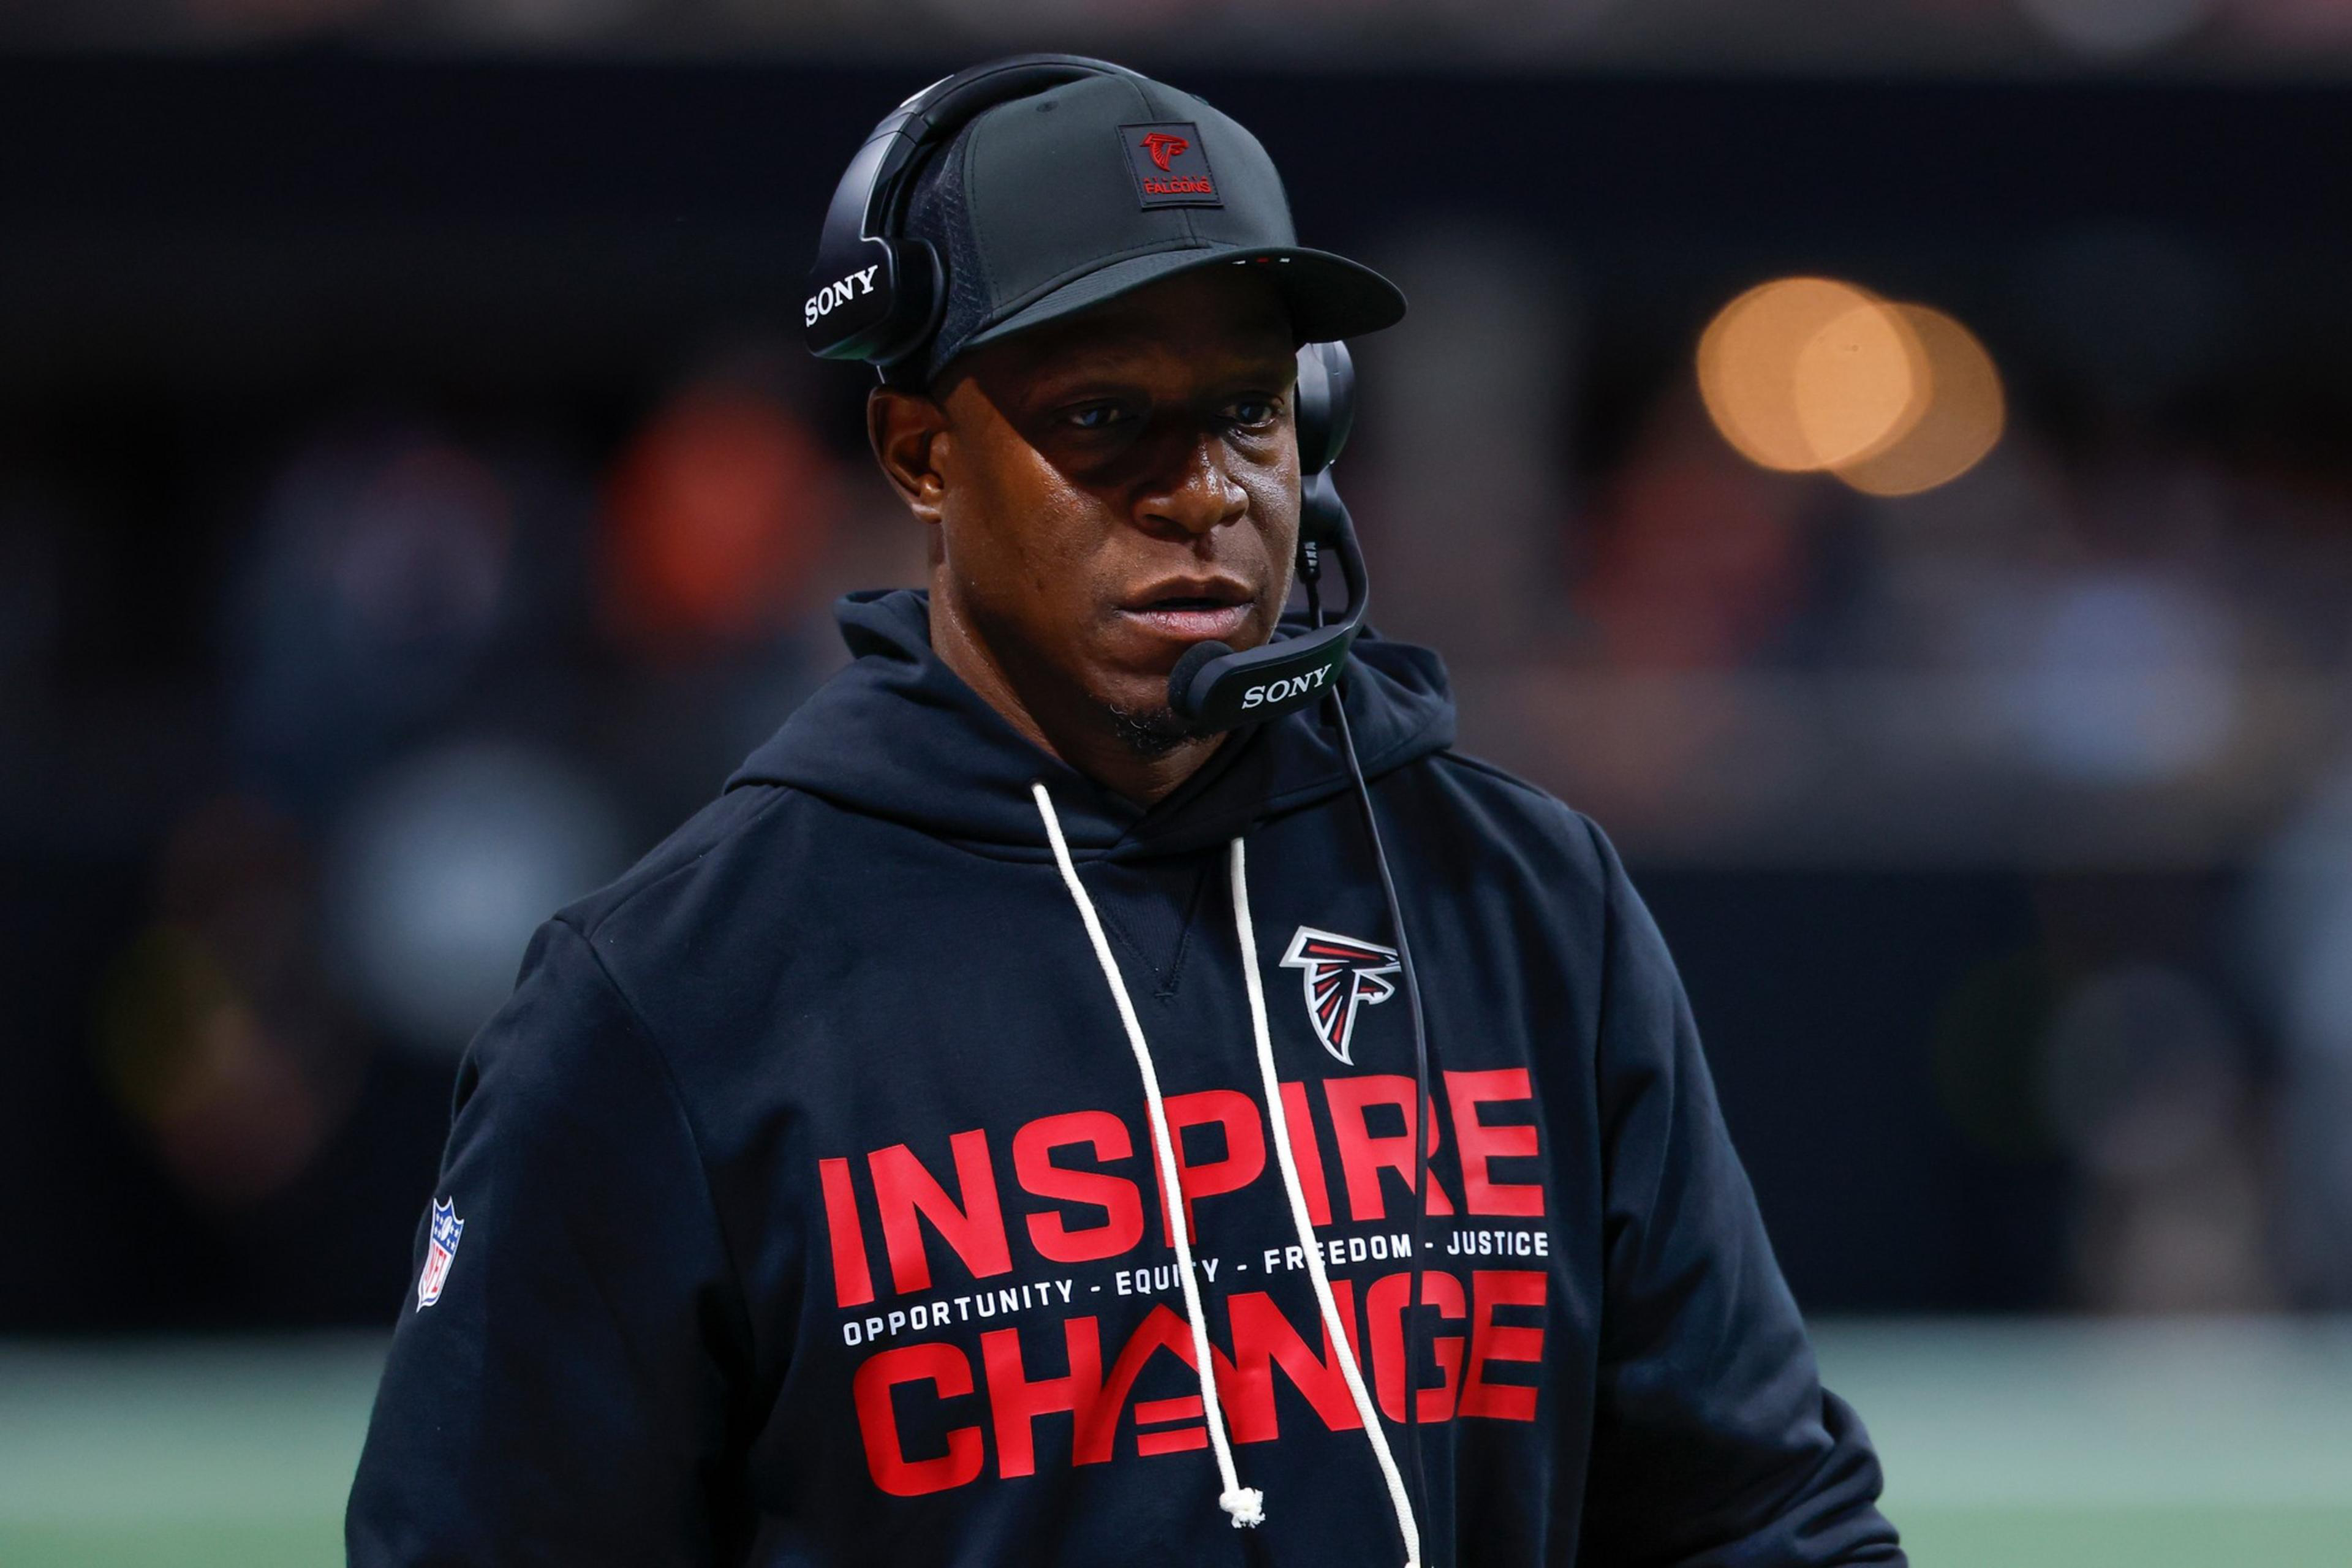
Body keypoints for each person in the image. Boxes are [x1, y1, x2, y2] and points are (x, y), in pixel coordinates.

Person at [347, 57, 1904, 1568]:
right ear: (919, 454)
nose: (1205, 489)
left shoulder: (1520, 898)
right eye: (1104, 420)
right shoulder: (664, 1000)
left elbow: (1758, 1518)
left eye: (1246, 409)